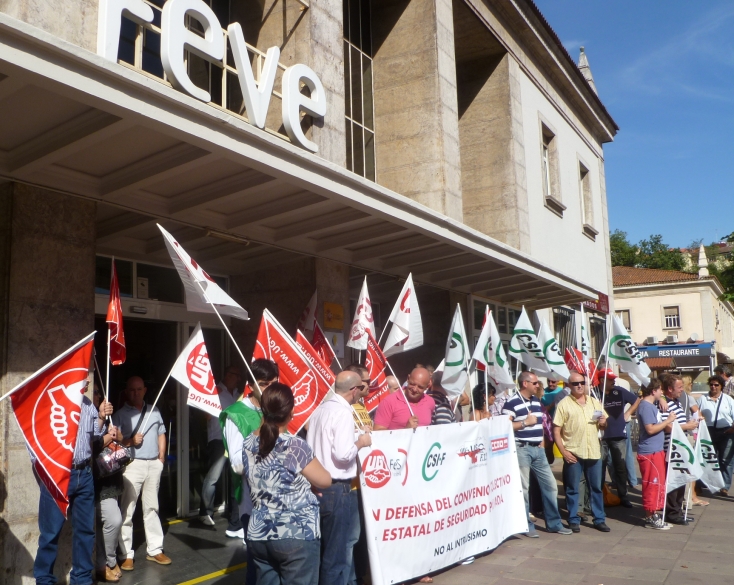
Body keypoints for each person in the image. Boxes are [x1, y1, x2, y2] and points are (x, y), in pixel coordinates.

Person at [241, 383, 332, 585]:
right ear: (291, 412)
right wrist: (308, 482)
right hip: (296, 533)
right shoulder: (294, 444)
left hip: (259, 532)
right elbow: (325, 480)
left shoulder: (248, 442)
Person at [33, 379, 113, 585]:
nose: (87, 381)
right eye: (82, 377)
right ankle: (44, 580)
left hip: (84, 473)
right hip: (58, 475)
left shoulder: (87, 405)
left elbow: (95, 432)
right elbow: (34, 437)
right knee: (50, 533)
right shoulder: (51, 403)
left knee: (86, 531)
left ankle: (82, 579)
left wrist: (102, 417)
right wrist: (43, 468)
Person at [307, 371, 372, 585]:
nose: (362, 392)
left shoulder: (320, 410)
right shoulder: (343, 412)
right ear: (354, 390)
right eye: (361, 388)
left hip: (317, 487)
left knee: (324, 548)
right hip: (337, 488)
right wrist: (361, 441)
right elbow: (343, 454)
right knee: (337, 554)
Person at [222, 359, 276, 585]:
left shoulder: (275, 407)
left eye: (273, 383)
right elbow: (236, 463)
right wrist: (261, 445)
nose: (269, 389)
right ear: (250, 384)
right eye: (263, 384)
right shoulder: (236, 414)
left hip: (277, 499)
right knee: (258, 565)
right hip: (251, 502)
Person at [503, 371, 572, 538]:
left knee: (550, 486)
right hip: (522, 449)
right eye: (534, 383)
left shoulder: (536, 401)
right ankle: (526, 524)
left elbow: (540, 425)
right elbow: (504, 426)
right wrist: (525, 423)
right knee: (524, 489)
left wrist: (541, 442)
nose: (538, 385)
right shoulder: (511, 402)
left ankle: (554, 523)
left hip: (538, 449)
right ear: (525, 383)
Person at [113, 376, 170, 570]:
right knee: (127, 510)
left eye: (139, 389)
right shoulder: (120, 415)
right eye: (131, 390)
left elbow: (161, 432)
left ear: (145, 390)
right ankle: (126, 553)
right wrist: (130, 441)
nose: (135, 393)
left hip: (153, 464)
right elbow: (114, 442)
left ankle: (155, 549)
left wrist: (161, 455)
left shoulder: (155, 411)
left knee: (151, 508)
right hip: (132, 464)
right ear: (127, 392)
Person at [553, 372, 610, 533]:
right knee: (572, 488)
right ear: (569, 386)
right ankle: (573, 518)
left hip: (593, 450)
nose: (579, 385)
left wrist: (603, 423)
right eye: (575, 383)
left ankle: (599, 519)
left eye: (582, 382)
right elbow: (556, 430)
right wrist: (563, 452)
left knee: (596, 487)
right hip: (574, 451)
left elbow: (603, 426)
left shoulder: (594, 402)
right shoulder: (564, 404)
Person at [199, 365, 243, 538]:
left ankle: (234, 515)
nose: (237, 378)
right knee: (213, 477)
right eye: (234, 374)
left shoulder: (238, 394)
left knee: (235, 478)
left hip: (234, 440)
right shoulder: (215, 391)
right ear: (226, 375)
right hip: (218, 439)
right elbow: (206, 416)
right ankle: (205, 512)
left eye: (239, 376)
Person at [92, 385, 123, 583]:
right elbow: (91, 444)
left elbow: (121, 442)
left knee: (112, 521)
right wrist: (107, 437)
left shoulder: (109, 417)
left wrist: (118, 437)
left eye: (97, 391)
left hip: (108, 479)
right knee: (102, 524)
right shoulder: (87, 415)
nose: (97, 396)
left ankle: (109, 560)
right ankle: (103, 563)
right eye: (94, 392)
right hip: (92, 480)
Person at [659, 374, 700, 524]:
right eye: (679, 387)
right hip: (672, 447)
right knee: (674, 481)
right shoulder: (664, 404)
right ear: (670, 389)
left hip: (681, 447)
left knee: (682, 480)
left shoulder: (677, 402)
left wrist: (691, 423)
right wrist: (687, 426)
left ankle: (678, 511)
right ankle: (672, 513)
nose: (682, 390)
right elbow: (667, 426)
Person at [636, 379, 676, 529]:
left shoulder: (650, 405)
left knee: (657, 484)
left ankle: (653, 514)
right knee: (651, 485)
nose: (662, 393)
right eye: (660, 390)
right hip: (649, 452)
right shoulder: (646, 407)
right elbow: (650, 429)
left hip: (655, 450)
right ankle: (650, 517)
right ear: (653, 391)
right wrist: (668, 421)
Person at [598, 369, 639, 508]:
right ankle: (601, 496)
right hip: (601, 436)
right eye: (610, 379)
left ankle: (623, 496)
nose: (613, 380)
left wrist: (628, 412)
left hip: (618, 435)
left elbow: (637, 400)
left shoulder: (620, 391)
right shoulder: (595, 393)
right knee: (600, 467)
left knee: (620, 467)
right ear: (602, 381)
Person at [697, 374, 734, 495]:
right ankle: (703, 483)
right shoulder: (702, 399)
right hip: (708, 431)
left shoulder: (728, 400)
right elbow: (696, 414)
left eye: (716, 385)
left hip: (726, 431)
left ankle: (724, 486)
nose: (713, 387)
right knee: (706, 458)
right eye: (711, 384)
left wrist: (732, 429)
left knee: (725, 459)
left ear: (721, 386)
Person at [346, 364, 373, 430]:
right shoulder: (343, 407)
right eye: (368, 382)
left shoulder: (361, 405)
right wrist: (359, 431)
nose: (371, 384)